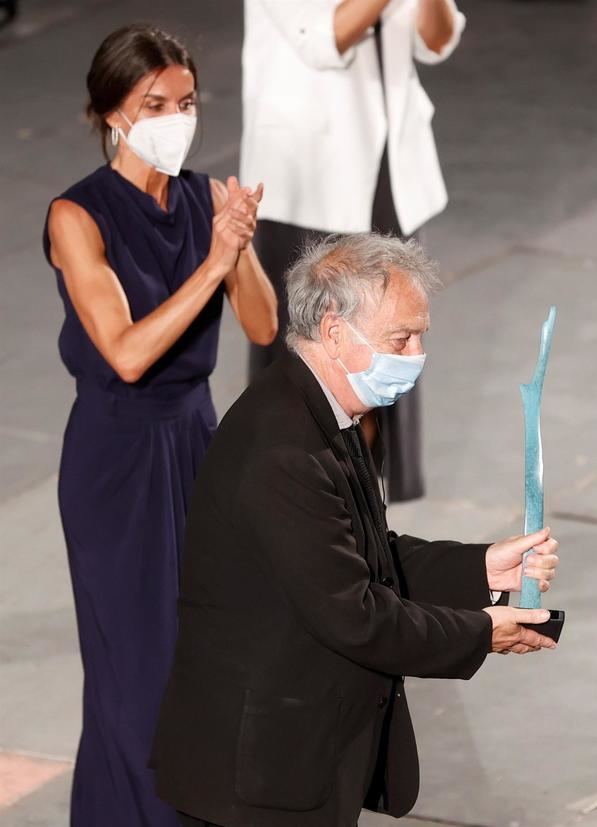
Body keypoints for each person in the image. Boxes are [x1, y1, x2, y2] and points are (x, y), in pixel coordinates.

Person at [151, 233, 560, 827]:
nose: (417, 353)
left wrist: (482, 569)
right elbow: (356, 613)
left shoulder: (324, 413)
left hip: (296, 757)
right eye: (402, 338)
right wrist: (482, 631)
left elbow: (361, 553)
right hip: (257, 780)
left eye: (421, 335)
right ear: (335, 330)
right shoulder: (283, 448)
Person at [42, 24, 277, 827]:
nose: (177, 117)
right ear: (111, 112)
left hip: (196, 442)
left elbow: (264, 326)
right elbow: (127, 354)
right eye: (154, 104)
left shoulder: (207, 198)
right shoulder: (77, 216)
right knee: (136, 675)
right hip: (117, 458)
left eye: (186, 102)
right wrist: (211, 261)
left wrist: (237, 247)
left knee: (205, 658)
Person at [241, 0, 466, 502]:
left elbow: (437, 40)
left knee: (388, 338)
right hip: (309, 177)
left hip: (390, 167)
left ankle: (365, 500)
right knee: (312, 354)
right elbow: (324, 36)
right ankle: (290, 494)